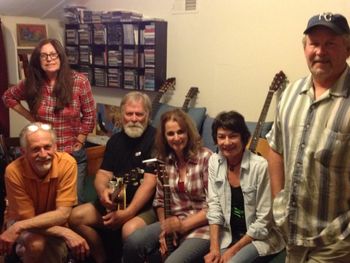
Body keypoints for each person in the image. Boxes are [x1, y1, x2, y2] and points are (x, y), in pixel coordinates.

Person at [266, 12, 350, 263]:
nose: (320, 51)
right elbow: (276, 149)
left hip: (336, 240)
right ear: (305, 48)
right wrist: (278, 202)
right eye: (314, 43)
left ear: (347, 48)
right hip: (292, 233)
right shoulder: (290, 93)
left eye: (330, 44)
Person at [2, 38, 96, 204]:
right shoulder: (31, 83)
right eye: (44, 56)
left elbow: (90, 115)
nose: (49, 59)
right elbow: (8, 97)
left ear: (60, 57)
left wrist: (81, 140)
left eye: (53, 54)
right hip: (43, 156)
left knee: (72, 206)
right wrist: (30, 117)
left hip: (71, 154)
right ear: (38, 61)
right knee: (45, 205)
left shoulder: (79, 81)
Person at [68, 91, 157, 263]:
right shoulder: (115, 140)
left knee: (129, 230)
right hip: (117, 198)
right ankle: (102, 259)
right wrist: (103, 194)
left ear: (148, 115)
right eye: (129, 113)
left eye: (139, 114)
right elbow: (103, 174)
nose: (134, 118)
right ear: (121, 114)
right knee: (75, 216)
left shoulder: (156, 139)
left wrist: (128, 213)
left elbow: (149, 183)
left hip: (145, 206)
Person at [123, 108, 212, 263]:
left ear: (189, 133)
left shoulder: (206, 158)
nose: (176, 138)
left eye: (181, 132)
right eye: (170, 134)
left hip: (202, 226)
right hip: (174, 222)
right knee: (133, 241)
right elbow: (159, 201)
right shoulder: (164, 160)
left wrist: (182, 226)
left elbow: (214, 207)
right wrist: (166, 227)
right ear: (164, 137)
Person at [0, 122, 89, 263]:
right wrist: (65, 232)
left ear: (55, 147)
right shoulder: (13, 171)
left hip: (46, 224)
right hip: (21, 221)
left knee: (46, 250)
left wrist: (18, 227)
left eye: (47, 147)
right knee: (36, 244)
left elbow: (63, 214)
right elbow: (27, 220)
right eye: (35, 149)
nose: (43, 154)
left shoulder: (67, 163)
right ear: (24, 152)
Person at [205, 111, 284, 263]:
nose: (226, 142)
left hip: (260, 237)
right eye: (221, 136)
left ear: (243, 137)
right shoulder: (215, 161)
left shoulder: (260, 166)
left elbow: (264, 221)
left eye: (233, 135)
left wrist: (233, 251)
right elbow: (214, 206)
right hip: (229, 234)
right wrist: (214, 248)